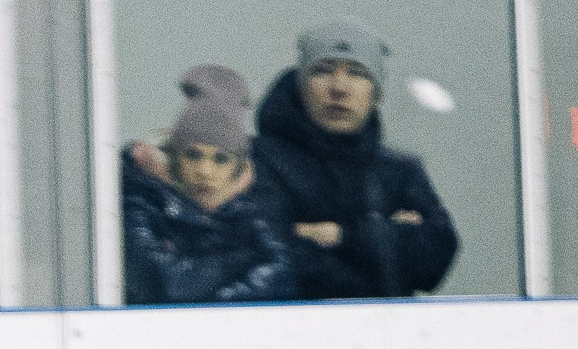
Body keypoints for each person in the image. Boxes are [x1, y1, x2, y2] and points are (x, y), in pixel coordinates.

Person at [250, 18, 458, 300]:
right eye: (323, 71)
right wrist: (390, 239)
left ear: (375, 93)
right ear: (301, 85)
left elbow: (436, 257)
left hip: (389, 327)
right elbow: (272, 259)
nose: (339, 87)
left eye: (357, 73)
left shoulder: (399, 172)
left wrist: (342, 236)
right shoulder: (257, 163)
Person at [122, 65, 295, 305]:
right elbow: (167, 285)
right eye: (193, 155)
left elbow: (282, 275)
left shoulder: (248, 215)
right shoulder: (143, 203)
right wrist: (241, 260)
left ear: (238, 170)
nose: (205, 171)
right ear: (175, 158)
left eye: (221, 159)